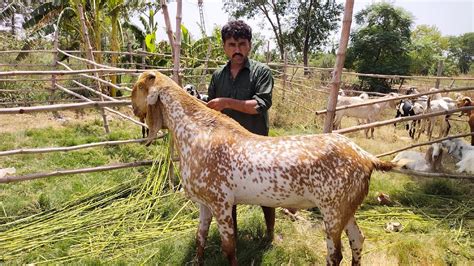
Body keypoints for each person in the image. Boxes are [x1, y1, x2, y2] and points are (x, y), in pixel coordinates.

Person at [206, 20, 275, 239]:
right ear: (224, 47)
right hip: (225, 146)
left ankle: (270, 233)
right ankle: (232, 236)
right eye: (232, 45)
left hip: (256, 143)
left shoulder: (261, 72)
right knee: (227, 192)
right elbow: (210, 111)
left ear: (250, 45)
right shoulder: (218, 76)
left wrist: (226, 102)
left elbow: (260, 105)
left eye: (242, 44)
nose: (237, 50)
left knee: (266, 191)